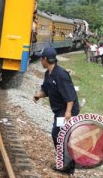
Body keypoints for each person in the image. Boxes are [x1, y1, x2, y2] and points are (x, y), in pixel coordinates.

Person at [33, 47, 79, 176]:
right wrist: (38, 95)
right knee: (58, 136)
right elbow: (46, 90)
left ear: (45, 59)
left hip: (67, 110)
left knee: (60, 135)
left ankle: (68, 166)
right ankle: (66, 164)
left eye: (41, 58)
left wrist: (68, 113)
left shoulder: (61, 74)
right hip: (60, 111)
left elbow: (70, 96)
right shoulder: (49, 74)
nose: (40, 60)